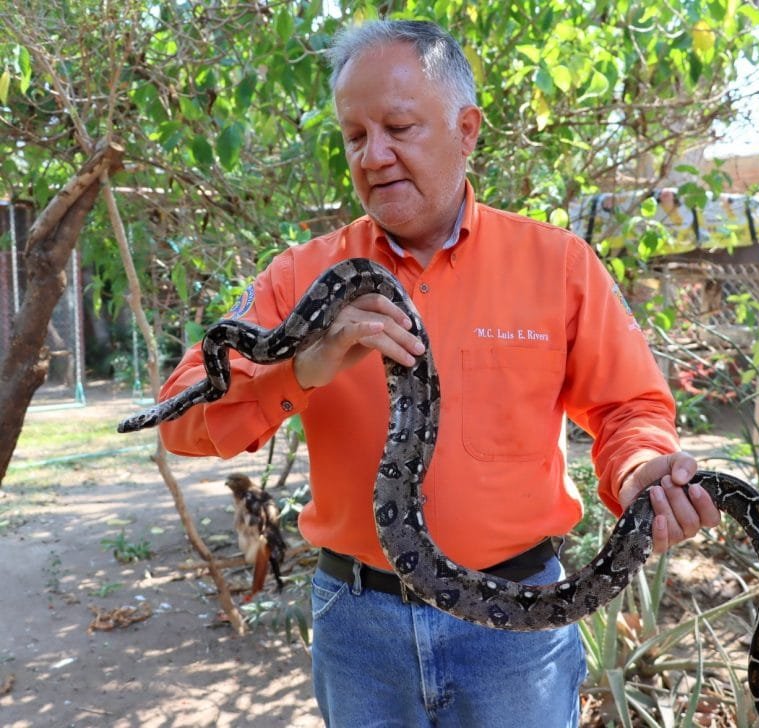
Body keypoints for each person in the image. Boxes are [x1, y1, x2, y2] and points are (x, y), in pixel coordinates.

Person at [159, 19, 721, 728]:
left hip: (516, 632)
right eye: (355, 136)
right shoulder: (302, 276)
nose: (375, 155)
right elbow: (179, 419)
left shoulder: (558, 265)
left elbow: (628, 408)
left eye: (398, 126)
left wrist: (642, 468)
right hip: (359, 626)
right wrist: (302, 366)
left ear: (468, 129)